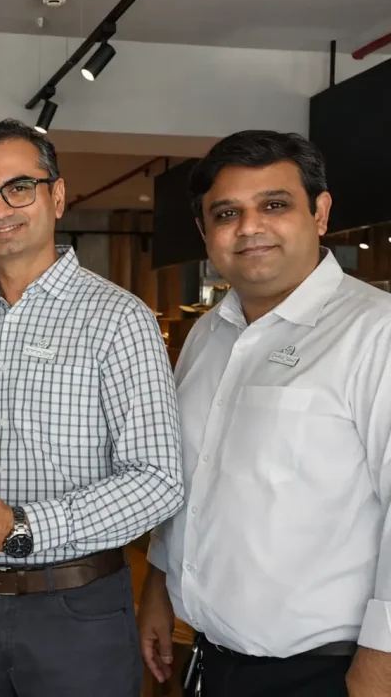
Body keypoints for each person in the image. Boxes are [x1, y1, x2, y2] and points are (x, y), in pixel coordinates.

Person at [0, 119, 184, 697]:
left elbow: (159, 481)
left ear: (56, 195)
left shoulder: (118, 317)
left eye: (19, 187)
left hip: (74, 610)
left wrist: (19, 527)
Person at [138, 130, 391, 697]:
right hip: (213, 658)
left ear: (319, 212)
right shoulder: (207, 335)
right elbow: (191, 482)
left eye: (274, 205)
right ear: (205, 232)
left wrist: (382, 664)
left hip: (332, 670)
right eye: (227, 213)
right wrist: (158, 584)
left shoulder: (376, 333)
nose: (250, 227)